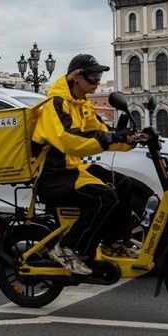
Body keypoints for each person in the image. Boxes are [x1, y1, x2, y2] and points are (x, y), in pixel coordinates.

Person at [31, 54, 138, 276]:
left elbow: (99, 131)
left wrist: (126, 139)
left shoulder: (82, 104)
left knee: (123, 184)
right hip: (53, 175)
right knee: (104, 197)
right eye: (92, 75)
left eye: (99, 76)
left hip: (72, 169)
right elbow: (69, 140)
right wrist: (109, 139)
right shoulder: (55, 103)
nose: (97, 81)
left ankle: (112, 242)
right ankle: (67, 247)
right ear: (76, 77)